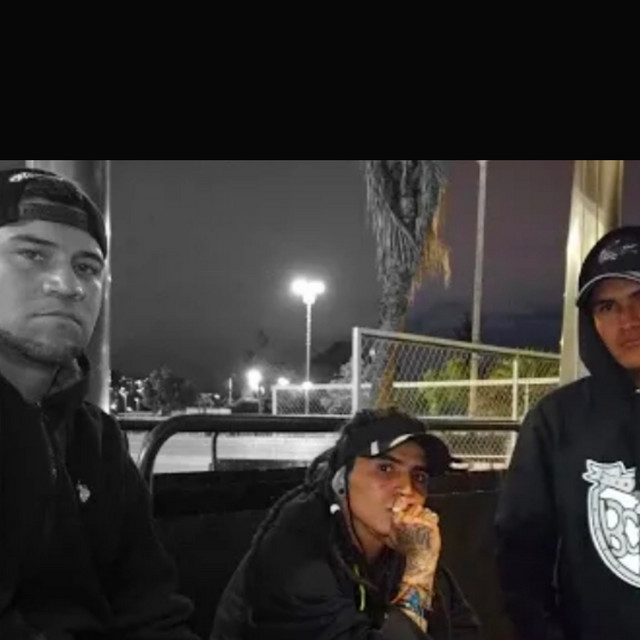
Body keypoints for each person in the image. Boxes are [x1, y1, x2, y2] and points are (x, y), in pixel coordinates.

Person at [0, 167, 199, 639]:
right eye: (32, 254)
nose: (67, 284)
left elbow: (151, 609)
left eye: (87, 267)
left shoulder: (98, 440)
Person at [211, 407, 481, 639]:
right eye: (385, 469)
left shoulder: (406, 543)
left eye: (418, 476)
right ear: (341, 479)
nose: (407, 490)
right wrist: (419, 569)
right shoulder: (298, 550)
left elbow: (464, 629)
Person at [495, 225, 640, 640]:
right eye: (607, 307)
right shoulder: (555, 421)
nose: (628, 320)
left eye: (639, 298)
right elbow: (521, 554)